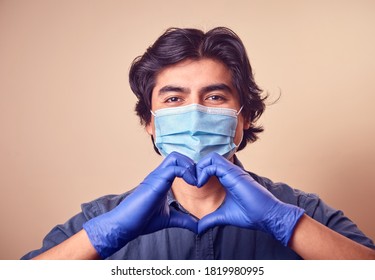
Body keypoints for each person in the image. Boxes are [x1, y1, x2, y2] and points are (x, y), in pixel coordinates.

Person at [22, 27, 375, 260]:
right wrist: (100, 238)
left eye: (215, 96)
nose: (194, 114)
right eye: (174, 99)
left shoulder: (300, 210)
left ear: (244, 116)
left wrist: (288, 225)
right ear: (149, 121)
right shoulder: (102, 218)